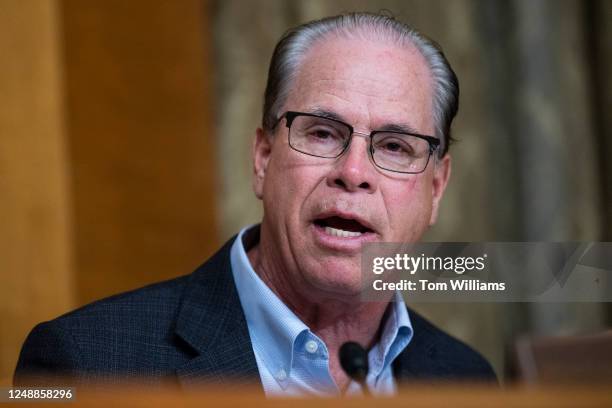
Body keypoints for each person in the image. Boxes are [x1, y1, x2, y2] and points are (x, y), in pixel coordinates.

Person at [14, 12, 495, 395]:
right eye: (323, 134)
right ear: (263, 159)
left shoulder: (467, 378)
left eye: (394, 147)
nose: (353, 173)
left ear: (435, 189)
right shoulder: (87, 365)